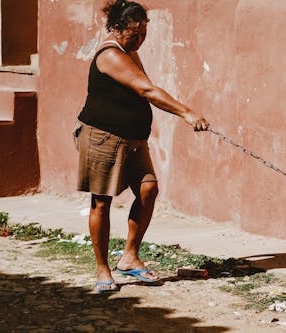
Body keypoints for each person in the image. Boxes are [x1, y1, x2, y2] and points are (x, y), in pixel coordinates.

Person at [74, 0, 209, 292]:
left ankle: (129, 257)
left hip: (134, 139)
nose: (140, 40)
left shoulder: (129, 50)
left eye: (144, 33)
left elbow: (142, 84)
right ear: (116, 28)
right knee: (101, 202)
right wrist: (187, 113)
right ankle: (102, 270)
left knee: (148, 189)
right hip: (103, 136)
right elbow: (146, 88)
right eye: (134, 33)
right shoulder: (110, 55)